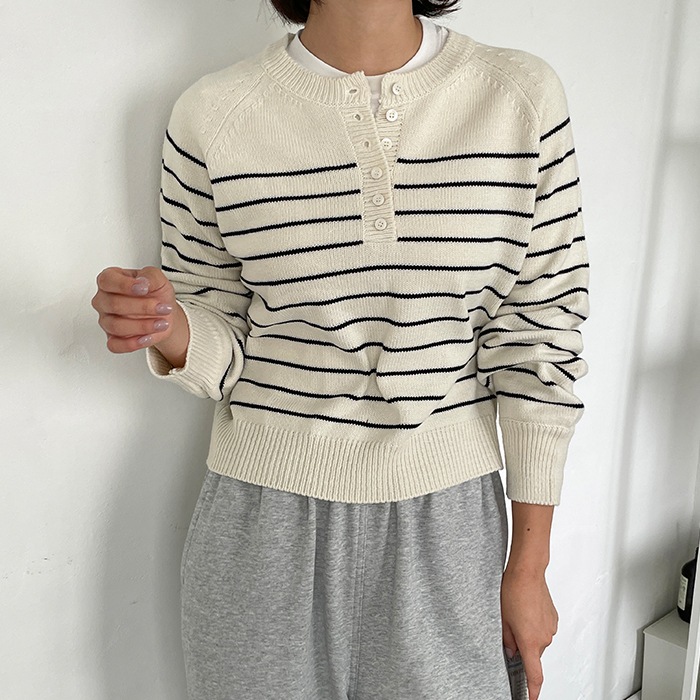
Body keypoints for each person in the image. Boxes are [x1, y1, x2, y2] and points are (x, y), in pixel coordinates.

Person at [91, 0, 589, 698]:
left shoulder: (519, 99)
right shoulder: (213, 114)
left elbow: (538, 338)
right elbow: (224, 339)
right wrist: (165, 324)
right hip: (261, 525)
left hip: (449, 529)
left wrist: (529, 567)